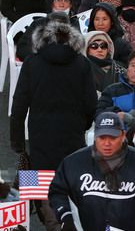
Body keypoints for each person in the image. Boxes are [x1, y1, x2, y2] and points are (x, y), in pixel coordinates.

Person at [10, 13, 97, 231]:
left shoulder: (32, 62)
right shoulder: (82, 64)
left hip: (39, 134)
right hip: (72, 133)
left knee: (38, 186)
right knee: (72, 181)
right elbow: (90, 104)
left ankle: (49, 221)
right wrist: (83, 125)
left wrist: (18, 142)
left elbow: (19, 103)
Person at [48, 112, 135, 231]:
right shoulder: (73, 162)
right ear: (95, 136)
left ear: (123, 135)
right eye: (102, 137)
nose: (107, 143)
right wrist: (66, 217)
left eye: (112, 137)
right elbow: (57, 191)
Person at [16, 0, 81, 61]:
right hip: (42, 64)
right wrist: (41, 56)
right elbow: (22, 48)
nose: (62, 4)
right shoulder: (38, 24)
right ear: (51, 3)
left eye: (66, 1)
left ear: (71, 5)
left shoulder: (76, 23)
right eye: (58, 0)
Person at [96, 49, 135, 117]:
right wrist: (117, 114)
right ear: (127, 70)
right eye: (133, 65)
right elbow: (99, 113)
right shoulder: (112, 90)